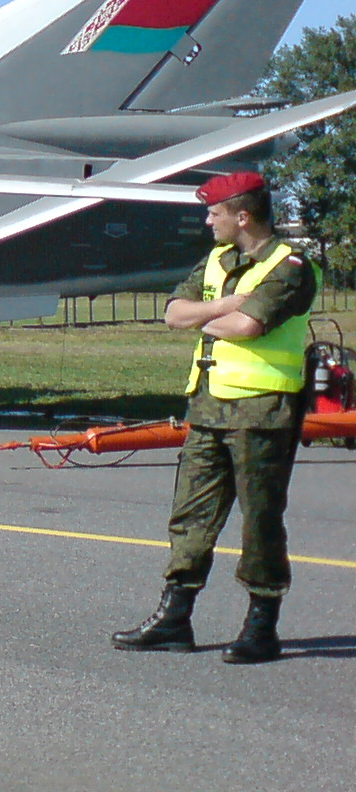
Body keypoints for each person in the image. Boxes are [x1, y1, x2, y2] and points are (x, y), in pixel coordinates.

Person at [112, 171, 317, 664]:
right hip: (207, 407)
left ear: (242, 216)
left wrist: (210, 315)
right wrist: (224, 304)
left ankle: (260, 626)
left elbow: (249, 326)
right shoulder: (219, 261)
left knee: (260, 523)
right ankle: (174, 619)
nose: (208, 221)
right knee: (190, 517)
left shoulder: (291, 265)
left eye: (214, 213)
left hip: (262, 411)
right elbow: (173, 314)